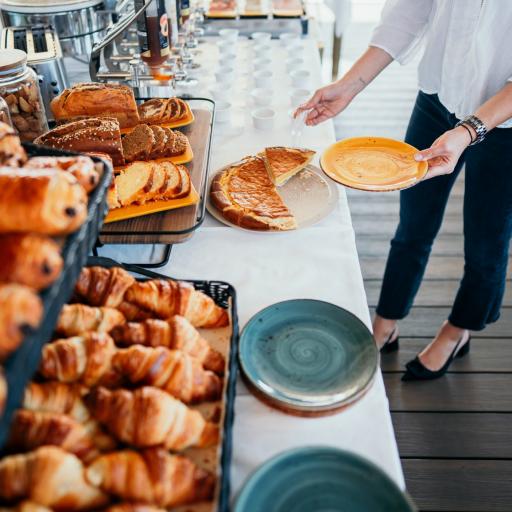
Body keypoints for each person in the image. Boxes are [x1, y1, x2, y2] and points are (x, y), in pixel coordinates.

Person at [296, 0, 512, 380]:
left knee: (486, 241)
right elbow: (410, 11)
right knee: (412, 224)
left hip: (505, 126)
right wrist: (350, 85)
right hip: (438, 96)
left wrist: (468, 131)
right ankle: (386, 320)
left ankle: (458, 330)